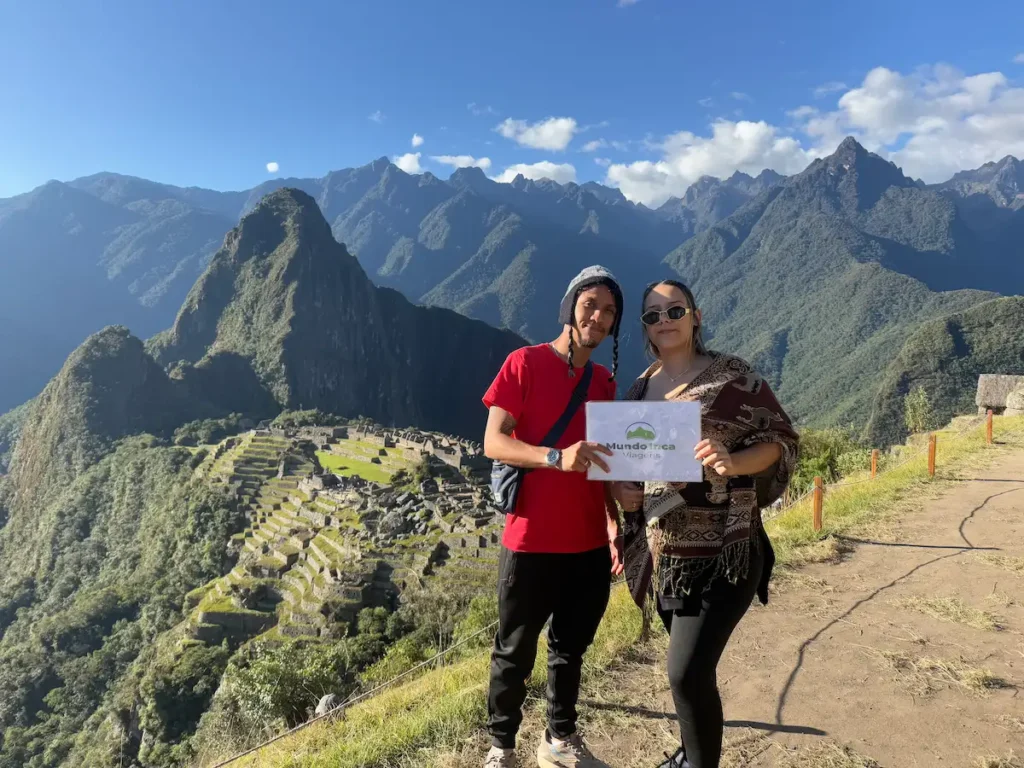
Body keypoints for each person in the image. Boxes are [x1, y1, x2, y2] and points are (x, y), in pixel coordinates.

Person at [610, 279, 799, 768]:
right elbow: (629, 467)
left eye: (674, 310)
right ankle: (695, 753)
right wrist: (620, 490)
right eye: (653, 315)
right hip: (668, 556)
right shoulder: (636, 393)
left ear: (695, 315)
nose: (664, 321)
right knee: (694, 676)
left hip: (726, 552)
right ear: (645, 329)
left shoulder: (733, 379)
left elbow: (781, 442)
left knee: (684, 672)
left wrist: (733, 462)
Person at [481, 265, 626, 768]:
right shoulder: (523, 364)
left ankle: (559, 739)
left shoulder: (605, 381)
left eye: (609, 311)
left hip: (587, 541)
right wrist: (554, 456)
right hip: (530, 539)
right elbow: (493, 441)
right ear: (570, 307)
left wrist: (611, 522)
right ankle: (501, 747)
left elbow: (604, 462)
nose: (600, 317)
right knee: (514, 650)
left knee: (571, 648)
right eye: (591, 305)